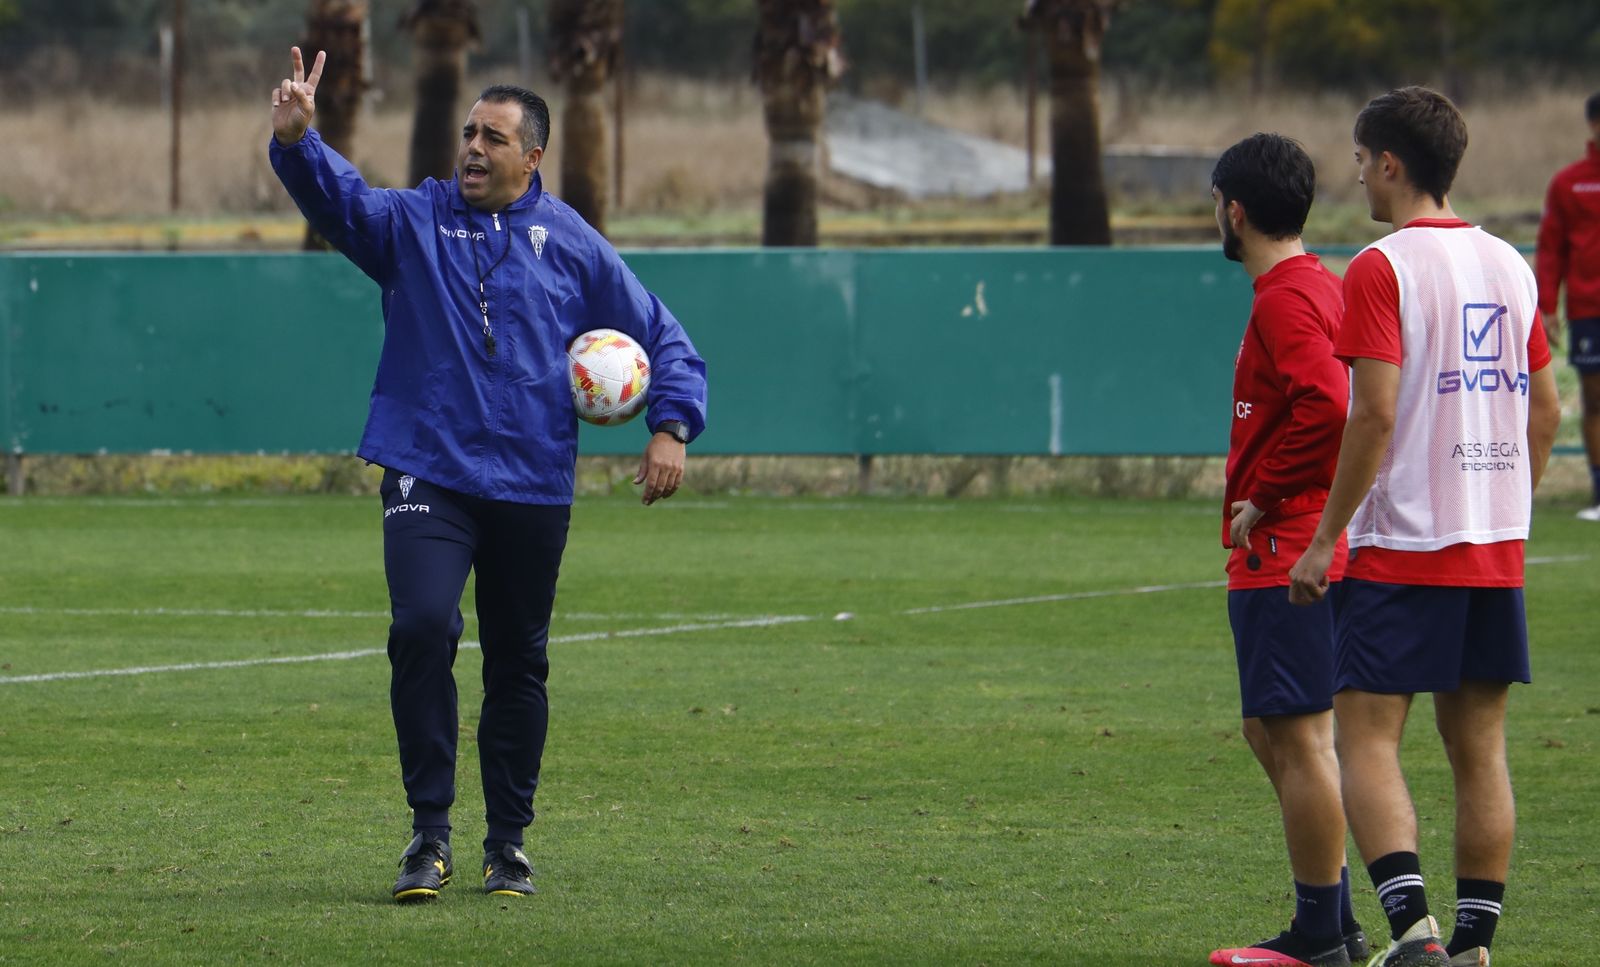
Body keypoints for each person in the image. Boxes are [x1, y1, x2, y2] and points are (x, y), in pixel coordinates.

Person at [268, 47, 708, 902]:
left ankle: (506, 843)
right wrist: (297, 142)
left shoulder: (570, 242)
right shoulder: (415, 223)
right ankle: (427, 834)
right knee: (423, 625)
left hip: (533, 482)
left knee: (519, 662)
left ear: (531, 157)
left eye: (493, 137)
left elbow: (664, 335)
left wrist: (672, 425)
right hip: (427, 469)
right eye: (468, 132)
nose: (472, 147)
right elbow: (342, 202)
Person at [1288, 87, 1562, 967]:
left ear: (1393, 163)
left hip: (1402, 542)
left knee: (1364, 733)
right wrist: (1505, 502)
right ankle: (1476, 945)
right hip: (1493, 545)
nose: (1358, 173)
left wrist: (1326, 537)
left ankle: (1414, 933)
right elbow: (1548, 408)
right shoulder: (1510, 263)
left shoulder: (1382, 265)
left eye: (1363, 158)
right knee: (1479, 745)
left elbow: (1371, 415)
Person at [1203, 134, 1368, 967]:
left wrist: (1264, 494)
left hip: (1287, 545)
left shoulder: (1284, 299)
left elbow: (1329, 406)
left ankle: (1320, 935)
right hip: (1294, 542)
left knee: (1297, 738)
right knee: (1270, 730)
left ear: (1234, 210)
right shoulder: (1312, 286)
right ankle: (1333, 916)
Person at [1535, 91, 1600, 521]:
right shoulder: (1569, 181)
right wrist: (1547, 306)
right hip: (1587, 307)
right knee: (1595, 401)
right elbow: (1551, 247)